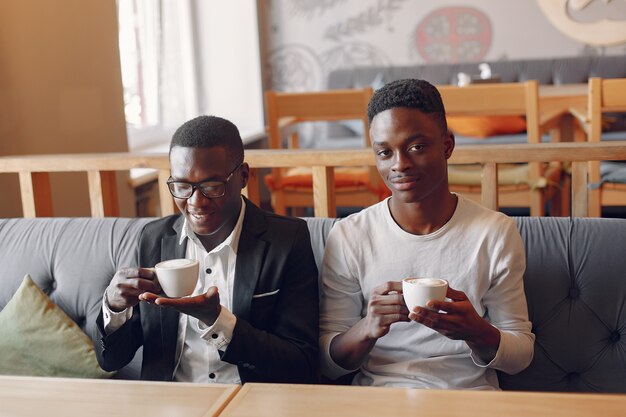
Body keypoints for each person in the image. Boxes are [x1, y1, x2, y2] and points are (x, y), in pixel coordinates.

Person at [319, 79, 534, 389]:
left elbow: (521, 356)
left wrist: (475, 330)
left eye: (416, 147)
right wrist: (367, 327)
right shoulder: (350, 235)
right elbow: (328, 363)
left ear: (447, 145)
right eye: (384, 152)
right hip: (379, 402)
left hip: (468, 399)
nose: (400, 165)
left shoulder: (494, 232)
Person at [94, 115, 319, 383]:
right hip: (172, 403)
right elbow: (111, 361)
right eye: (182, 186)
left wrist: (217, 320)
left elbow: (301, 362)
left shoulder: (287, 240)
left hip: (250, 399)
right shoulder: (154, 238)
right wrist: (114, 308)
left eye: (212, 186)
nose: (196, 201)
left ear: (244, 176)